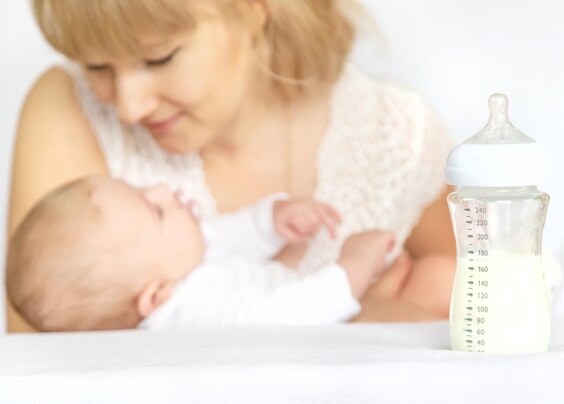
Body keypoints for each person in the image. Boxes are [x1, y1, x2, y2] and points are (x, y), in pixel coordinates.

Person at [7, 0, 456, 332]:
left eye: (159, 57)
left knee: (443, 279)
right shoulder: (70, 112)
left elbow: (502, 311)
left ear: (255, 8)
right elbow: (48, 374)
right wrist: (372, 318)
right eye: (96, 65)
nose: (127, 107)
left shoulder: (394, 134)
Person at [6, 176, 396, 331]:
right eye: (155, 210)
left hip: (327, 294)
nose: (163, 189)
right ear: (155, 297)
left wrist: (272, 220)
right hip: (330, 314)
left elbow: (219, 239)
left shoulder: (176, 268)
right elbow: (287, 318)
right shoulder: (191, 314)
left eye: (143, 189)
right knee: (428, 285)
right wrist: (353, 266)